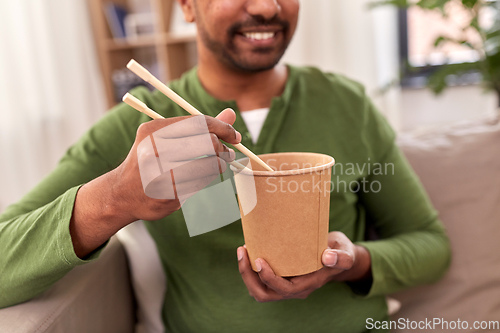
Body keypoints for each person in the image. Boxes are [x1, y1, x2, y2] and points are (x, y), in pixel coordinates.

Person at [0, 0, 451, 332]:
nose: (266, 7)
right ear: (187, 6)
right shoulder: (137, 130)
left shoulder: (347, 105)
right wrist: (115, 198)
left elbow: (432, 245)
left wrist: (354, 261)